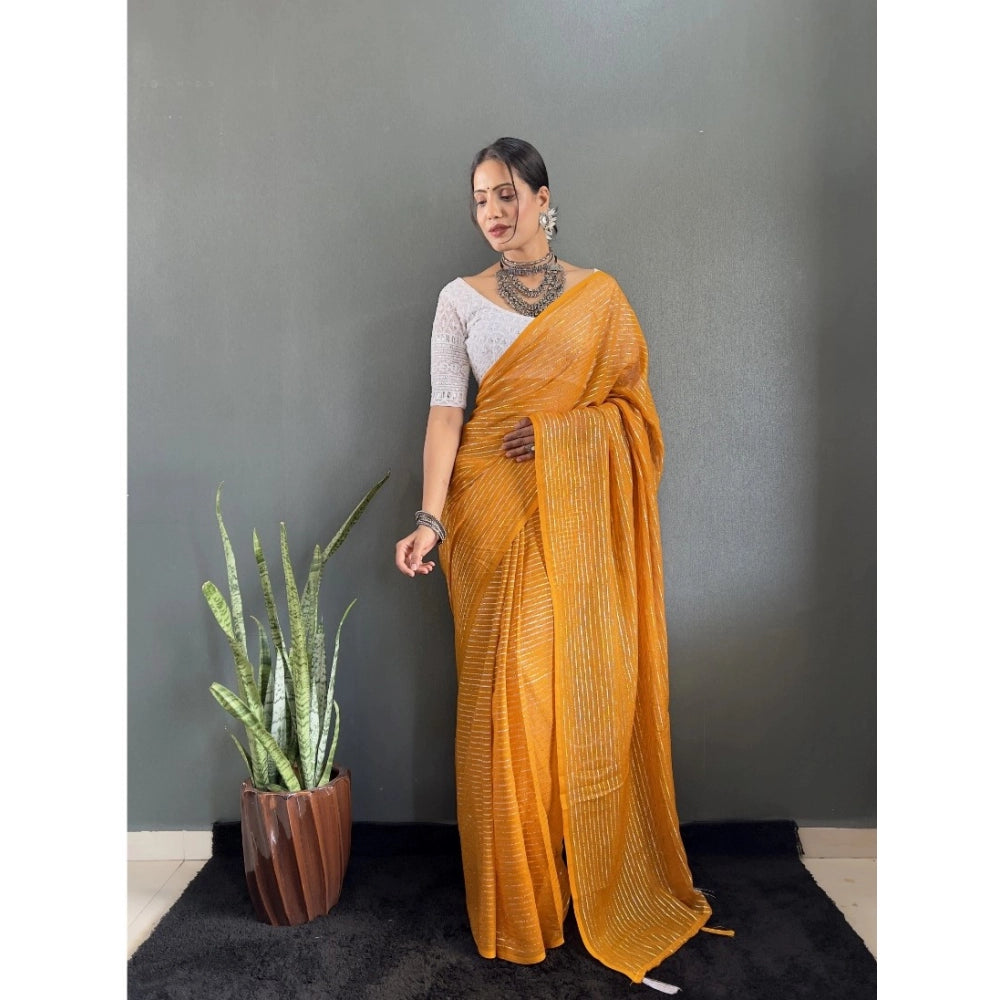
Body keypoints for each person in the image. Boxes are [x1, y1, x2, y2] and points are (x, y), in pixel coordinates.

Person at [395, 137, 717, 986]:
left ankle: (574, 880)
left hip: (568, 517)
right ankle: (518, 901)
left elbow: (635, 419)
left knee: (550, 695)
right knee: (501, 703)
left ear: (543, 197)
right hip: (486, 514)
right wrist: (430, 518)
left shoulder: (599, 297)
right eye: (480, 199)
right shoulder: (458, 300)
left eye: (506, 194)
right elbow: (445, 412)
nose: (492, 212)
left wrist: (560, 436)